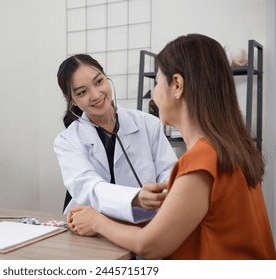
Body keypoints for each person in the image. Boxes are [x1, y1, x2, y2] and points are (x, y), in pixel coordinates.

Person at [68, 34, 276, 259]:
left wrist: (98, 222)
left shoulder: (201, 160)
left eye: (157, 82)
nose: (155, 95)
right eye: (81, 92)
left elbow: (150, 245)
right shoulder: (229, 148)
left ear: (177, 85)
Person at [53, 54, 177, 224]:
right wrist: (136, 198)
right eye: (82, 92)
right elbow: (88, 187)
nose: (96, 95)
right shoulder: (67, 141)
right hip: (90, 227)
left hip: (145, 222)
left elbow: (169, 174)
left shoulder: (148, 124)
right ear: (71, 100)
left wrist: (161, 198)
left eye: (98, 82)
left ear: (106, 78)